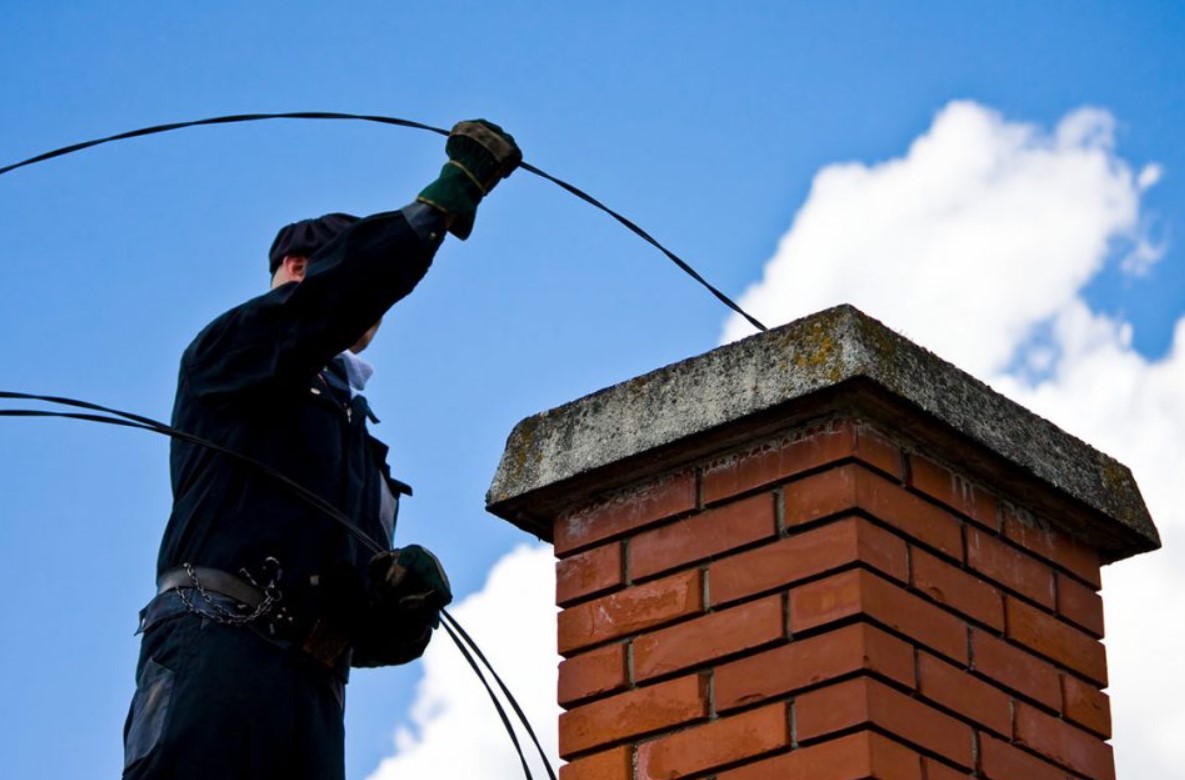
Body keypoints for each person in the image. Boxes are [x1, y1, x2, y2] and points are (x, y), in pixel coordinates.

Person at [122, 120, 521, 779]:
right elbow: (326, 305)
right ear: (297, 269)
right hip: (215, 650)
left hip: (311, 695)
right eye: (354, 271)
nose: (375, 307)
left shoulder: (364, 457)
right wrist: (438, 207)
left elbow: (363, 632)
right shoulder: (233, 351)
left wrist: (401, 607)